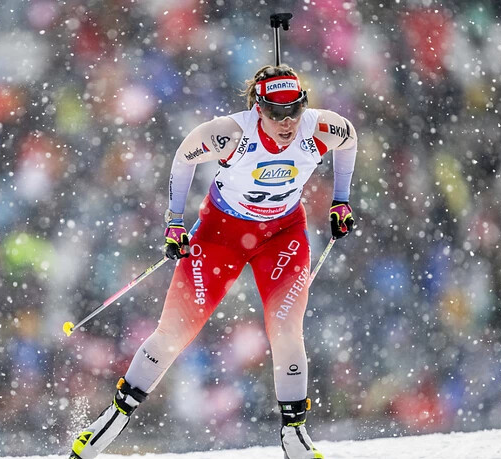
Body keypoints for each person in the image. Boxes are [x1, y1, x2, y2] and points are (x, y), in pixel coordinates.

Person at [70, 64, 358, 459]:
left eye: (294, 110)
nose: (287, 122)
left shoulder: (320, 128)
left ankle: (294, 433)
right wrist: (174, 221)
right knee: (174, 332)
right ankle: (112, 419)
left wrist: (341, 200)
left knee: (286, 329)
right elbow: (184, 156)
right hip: (221, 235)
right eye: (276, 112)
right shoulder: (231, 134)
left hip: (283, 235)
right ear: (258, 108)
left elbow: (350, 139)